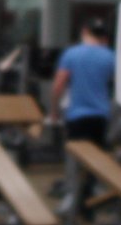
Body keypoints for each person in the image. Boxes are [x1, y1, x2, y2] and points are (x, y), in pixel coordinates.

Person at [50, 18, 116, 146]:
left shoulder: (71, 54)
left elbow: (58, 85)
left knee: (76, 154)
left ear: (84, 31)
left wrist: (54, 111)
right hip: (101, 115)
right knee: (96, 154)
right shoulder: (110, 56)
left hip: (77, 115)